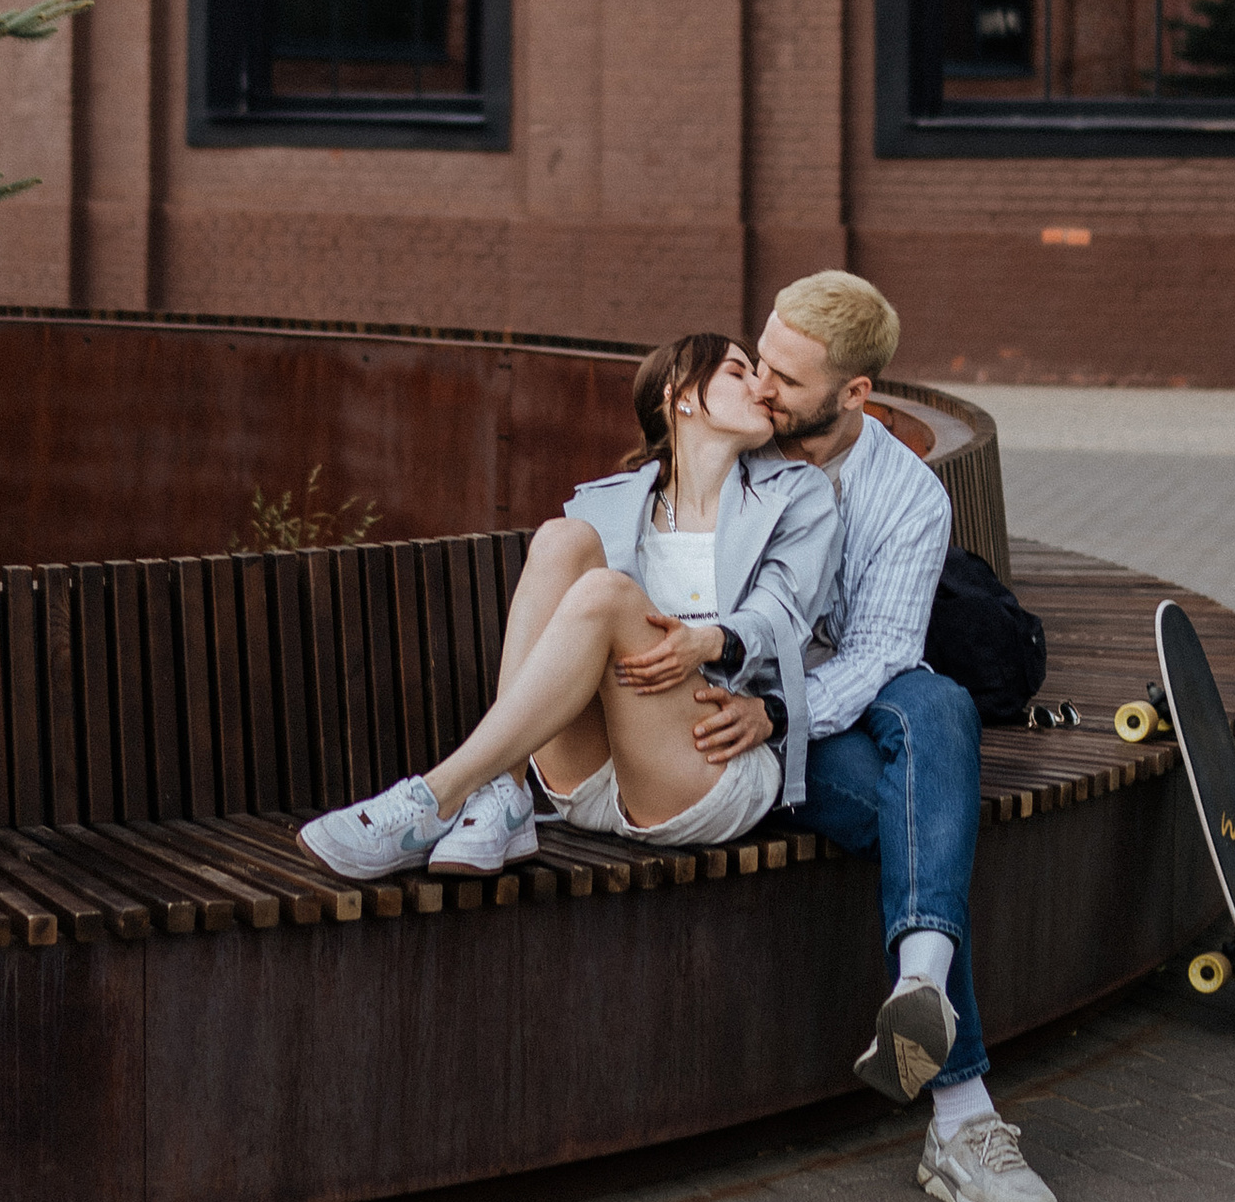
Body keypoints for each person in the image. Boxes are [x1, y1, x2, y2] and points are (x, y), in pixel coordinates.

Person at [685, 270, 1058, 1202]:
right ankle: (961, 1111)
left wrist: (786, 714)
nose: (761, 386)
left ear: (855, 392)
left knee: (936, 701)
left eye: (787, 378)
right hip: (741, 722)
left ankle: (921, 983)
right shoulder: (731, 445)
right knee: (924, 803)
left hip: (822, 713)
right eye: (760, 359)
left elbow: (884, 652)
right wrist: (766, 715)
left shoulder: (907, 498)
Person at [298, 333, 839, 882]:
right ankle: (505, 793)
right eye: (738, 372)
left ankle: (433, 797)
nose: (761, 387)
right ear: (681, 396)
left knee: (607, 592)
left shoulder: (797, 494)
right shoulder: (606, 505)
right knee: (563, 539)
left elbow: (782, 612)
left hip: (710, 763)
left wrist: (708, 641)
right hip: (592, 776)